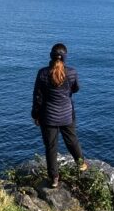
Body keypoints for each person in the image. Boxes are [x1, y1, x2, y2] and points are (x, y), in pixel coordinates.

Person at [31, 42, 88, 187]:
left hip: (48, 117)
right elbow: (75, 89)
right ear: (65, 57)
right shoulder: (72, 72)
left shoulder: (43, 73)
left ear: (51, 55)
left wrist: (35, 115)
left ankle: (54, 178)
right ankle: (81, 166)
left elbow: (38, 97)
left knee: (51, 147)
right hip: (67, 115)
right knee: (72, 141)